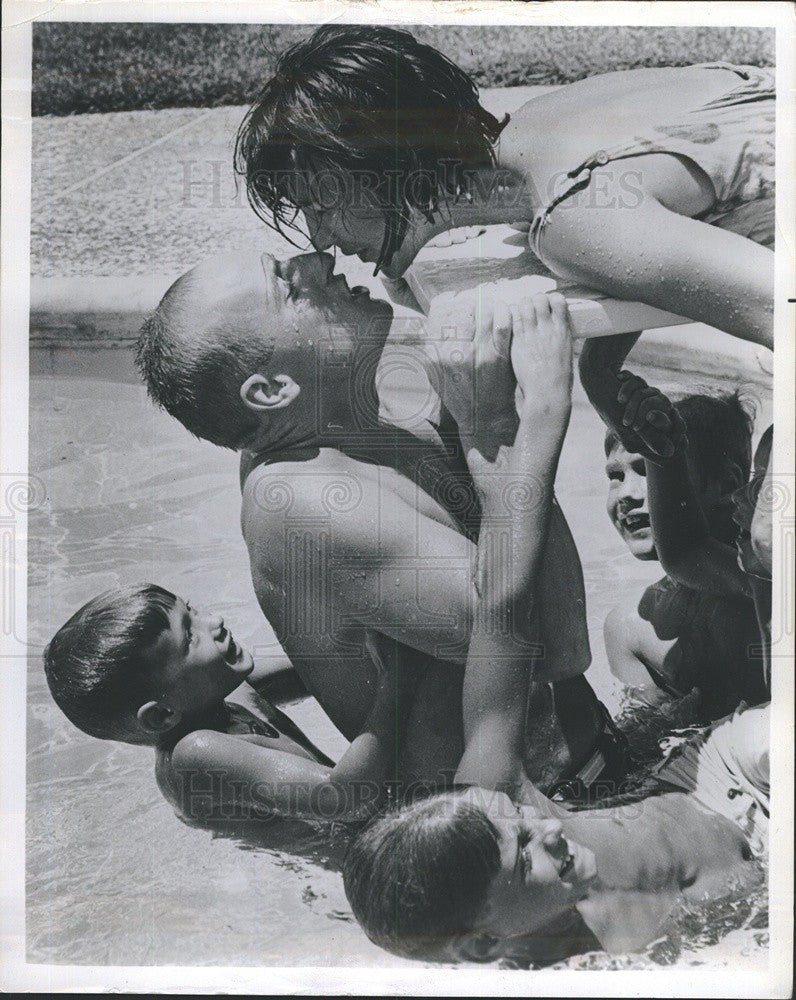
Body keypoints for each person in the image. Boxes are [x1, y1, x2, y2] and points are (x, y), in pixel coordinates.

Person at [135, 252, 629, 804]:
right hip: (530, 829)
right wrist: (510, 419)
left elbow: (481, 512)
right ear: (273, 390)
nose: (315, 261)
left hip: (575, 781)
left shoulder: (341, 434)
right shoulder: (301, 502)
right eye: (287, 287)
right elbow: (548, 644)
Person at [235, 25, 774, 351]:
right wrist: (602, 375)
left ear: (383, 167)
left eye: (320, 204)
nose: (320, 239)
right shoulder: (536, 133)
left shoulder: (569, 218)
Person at [342, 701, 769, 963]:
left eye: (522, 814)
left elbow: (504, 612)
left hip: (720, 778)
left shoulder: (492, 799)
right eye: (525, 857)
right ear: (482, 946)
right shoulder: (582, 976)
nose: (549, 825)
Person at [44, 584, 421, 822]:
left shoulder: (222, 691)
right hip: (349, 867)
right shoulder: (194, 754)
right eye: (190, 636)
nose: (215, 621)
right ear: (161, 715)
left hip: (369, 825)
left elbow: (317, 664)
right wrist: (396, 681)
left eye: (191, 609)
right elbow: (343, 799)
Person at [579, 333, 768, 719]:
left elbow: (684, 550)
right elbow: (640, 743)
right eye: (615, 476)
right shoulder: (631, 629)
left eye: (647, 471)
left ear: (728, 485)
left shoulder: (759, 575)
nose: (628, 493)